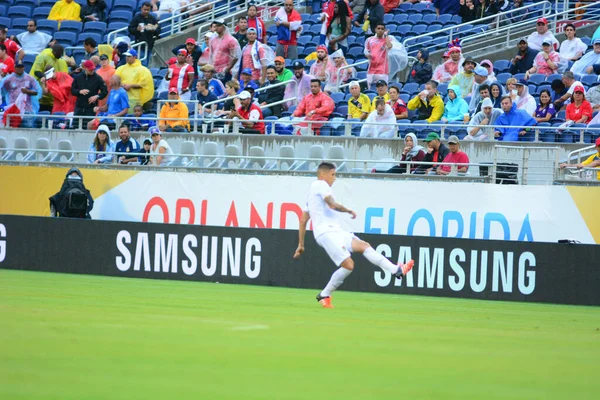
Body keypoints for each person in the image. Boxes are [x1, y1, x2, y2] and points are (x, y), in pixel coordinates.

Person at [293, 162, 414, 308]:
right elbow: (332, 204)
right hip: (327, 233)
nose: (334, 178)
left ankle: (396, 270)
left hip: (334, 231)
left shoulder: (311, 193)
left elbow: (303, 220)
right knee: (349, 265)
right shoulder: (320, 185)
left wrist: (301, 244)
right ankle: (325, 294)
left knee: (364, 246)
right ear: (323, 174)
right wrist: (348, 210)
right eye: (332, 174)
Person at [0, 61, 41, 128]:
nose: (20, 69)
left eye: (21, 67)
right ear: (14, 67)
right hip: (13, 110)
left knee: (27, 132)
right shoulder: (8, 79)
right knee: (12, 131)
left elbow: (38, 92)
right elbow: (2, 93)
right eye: (18, 67)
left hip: (27, 110)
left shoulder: (30, 79)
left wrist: (27, 91)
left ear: (24, 67)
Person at [30, 44, 69, 112]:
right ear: (54, 52)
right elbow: (37, 71)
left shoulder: (61, 61)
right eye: (59, 54)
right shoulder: (43, 57)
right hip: (40, 93)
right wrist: (45, 77)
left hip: (52, 97)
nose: (60, 56)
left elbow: (63, 76)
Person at [71, 59, 107, 126]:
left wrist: (97, 96)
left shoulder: (98, 78)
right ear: (85, 68)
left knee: (88, 127)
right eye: (90, 70)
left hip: (90, 108)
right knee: (75, 126)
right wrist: (79, 92)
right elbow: (72, 90)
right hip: (79, 107)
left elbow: (105, 91)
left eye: (93, 69)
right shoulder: (78, 78)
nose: (92, 71)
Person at [364, 23, 392, 89]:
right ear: (375, 29)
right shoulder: (369, 40)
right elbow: (366, 51)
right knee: (370, 88)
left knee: (383, 89)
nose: (380, 30)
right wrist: (367, 55)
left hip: (383, 69)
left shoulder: (387, 39)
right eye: (378, 28)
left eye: (382, 29)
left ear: (384, 30)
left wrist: (386, 36)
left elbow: (389, 46)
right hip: (371, 68)